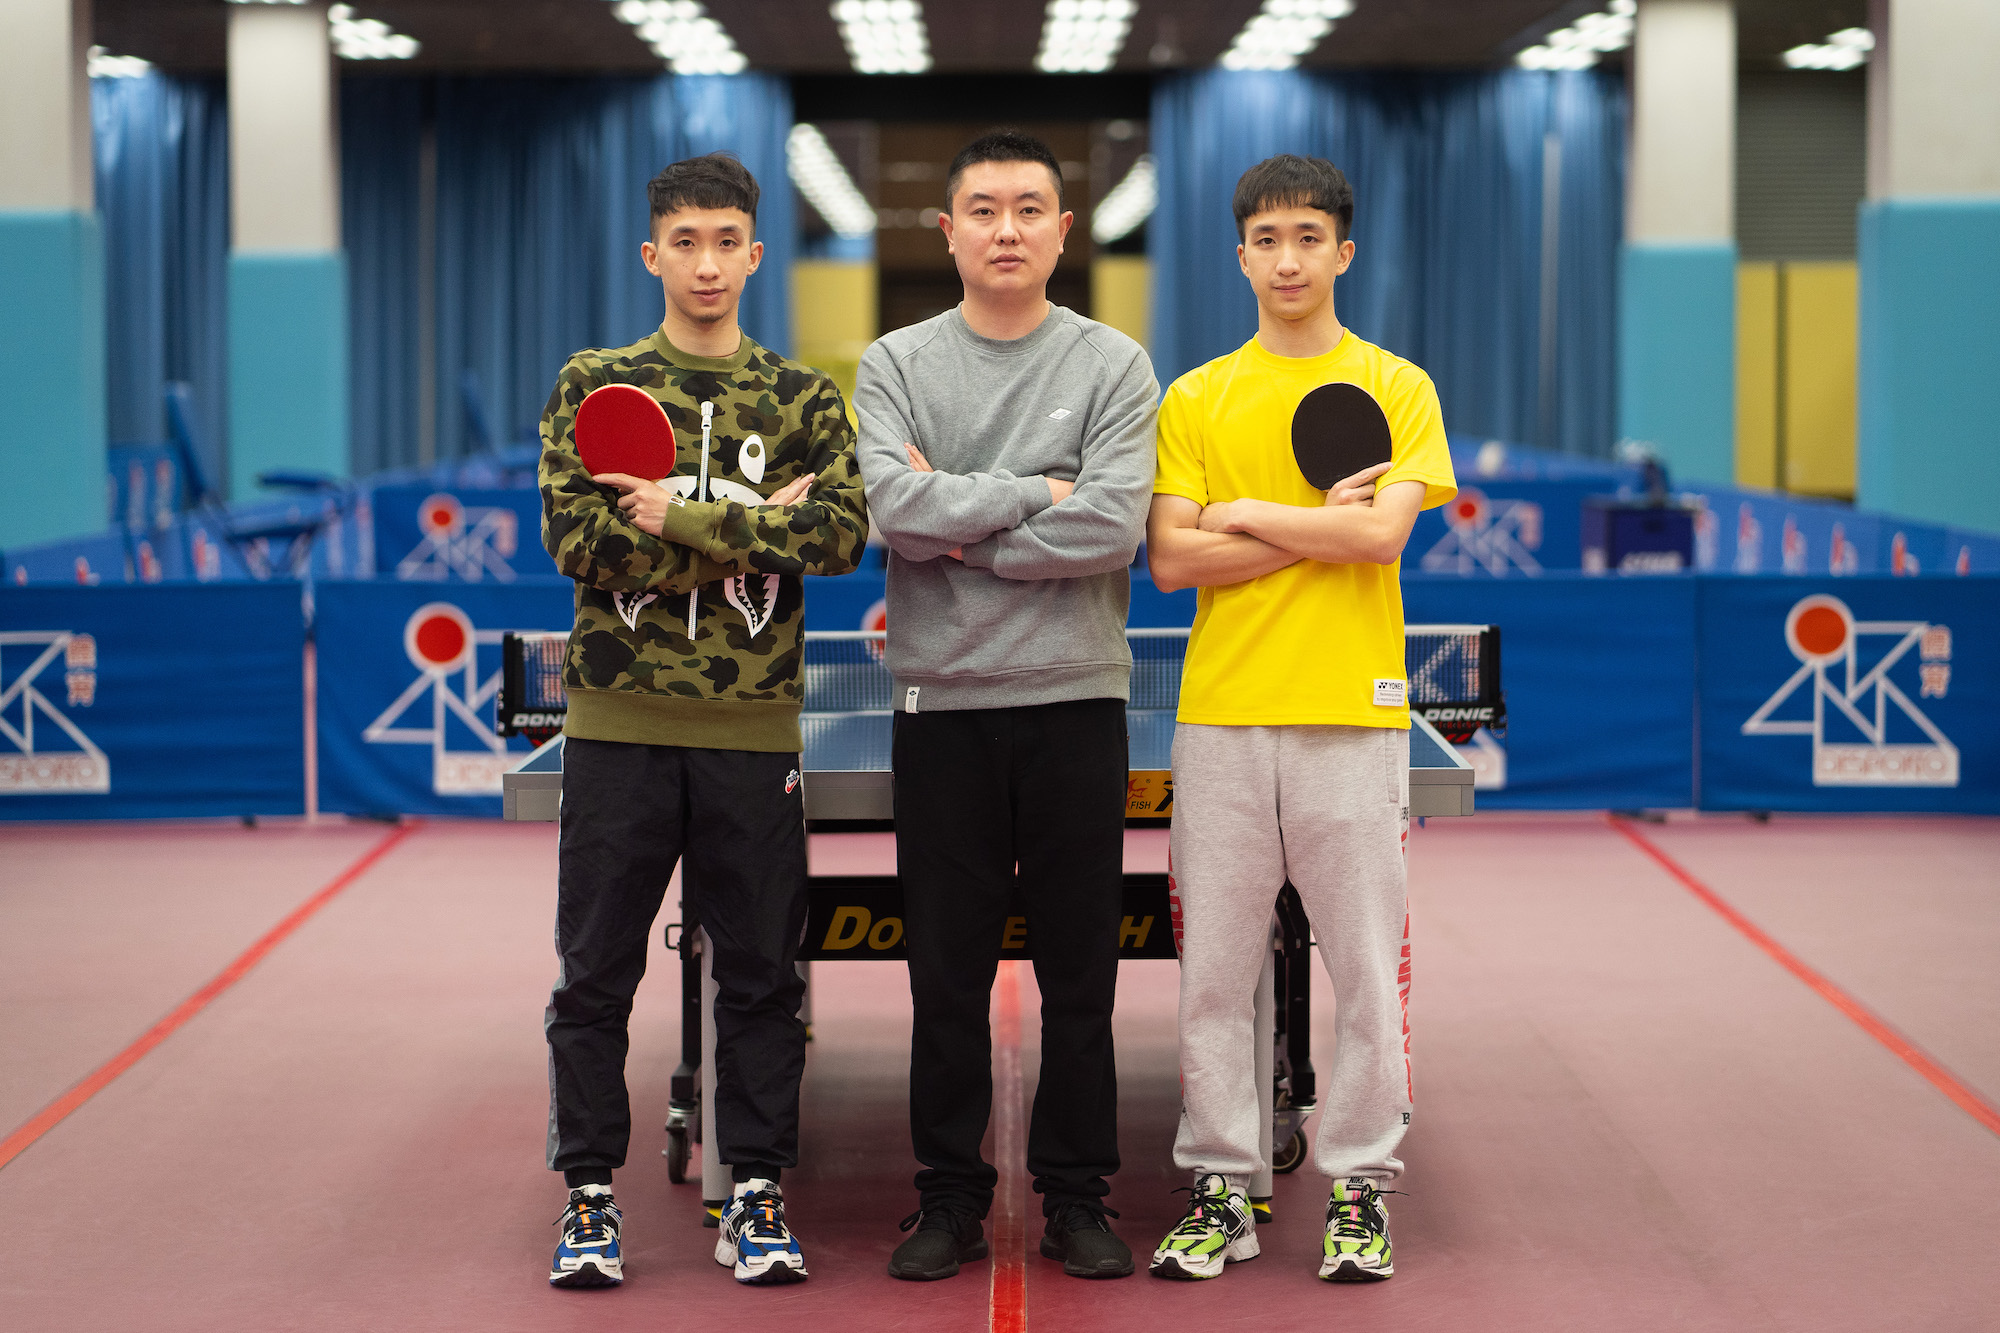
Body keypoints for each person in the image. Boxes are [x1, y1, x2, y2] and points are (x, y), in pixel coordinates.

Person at [537, 153, 868, 1289]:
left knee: (763, 976)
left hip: (753, 732)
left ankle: (758, 1191)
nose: (708, 262)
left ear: (755, 252)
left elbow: (835, 539)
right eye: (686, 241)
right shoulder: (594, 382)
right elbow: (580, 545)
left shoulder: (804, 399)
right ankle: (588, 1197)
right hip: (617, 725)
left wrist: (676, 512)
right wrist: (741, 526)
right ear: (653, 254)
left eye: (728, 239)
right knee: (593, 974)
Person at [1144, 153, 1457, 1283]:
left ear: (1342, 251)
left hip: (1349, 714)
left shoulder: (1398, 387)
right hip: (1221, 718)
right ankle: (1221, 1183)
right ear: (1239, 255)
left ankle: (1360, 1186)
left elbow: (1379, 540)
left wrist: (1242, 512)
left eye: (1306, 237)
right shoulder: (1193, 397)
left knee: (1365, 972)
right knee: (1214, 975)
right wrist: (1299, 523)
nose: (1286, 257)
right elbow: (1171, 563)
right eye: (1266, 237)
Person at [853, 129, 1158, 1282]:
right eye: (982, 209)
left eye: (1029, 208)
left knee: (1083, 976)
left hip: (1077, 701)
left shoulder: (1114, 365)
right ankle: (947, 1199)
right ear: (947, 230)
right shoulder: (892, 364)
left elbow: (1113, 526)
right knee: (944, 979)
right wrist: (1036, 491)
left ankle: (1076, 1194)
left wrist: (955, 529)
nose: (1006, 229)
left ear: (1063, 230)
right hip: (941, 708)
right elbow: (891, 510)